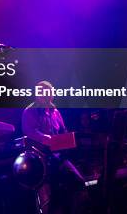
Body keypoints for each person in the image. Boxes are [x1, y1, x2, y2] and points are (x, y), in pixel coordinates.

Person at [22, 81, 85, 214]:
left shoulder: (55, 111)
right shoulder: (29, 111)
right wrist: (48, 139)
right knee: (55, 193)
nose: (47, 96)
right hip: (41, 160)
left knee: (78, 182)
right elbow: (30, 131)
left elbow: (63, 130)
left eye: (49, 93)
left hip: (58, 156)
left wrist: (70, 139)